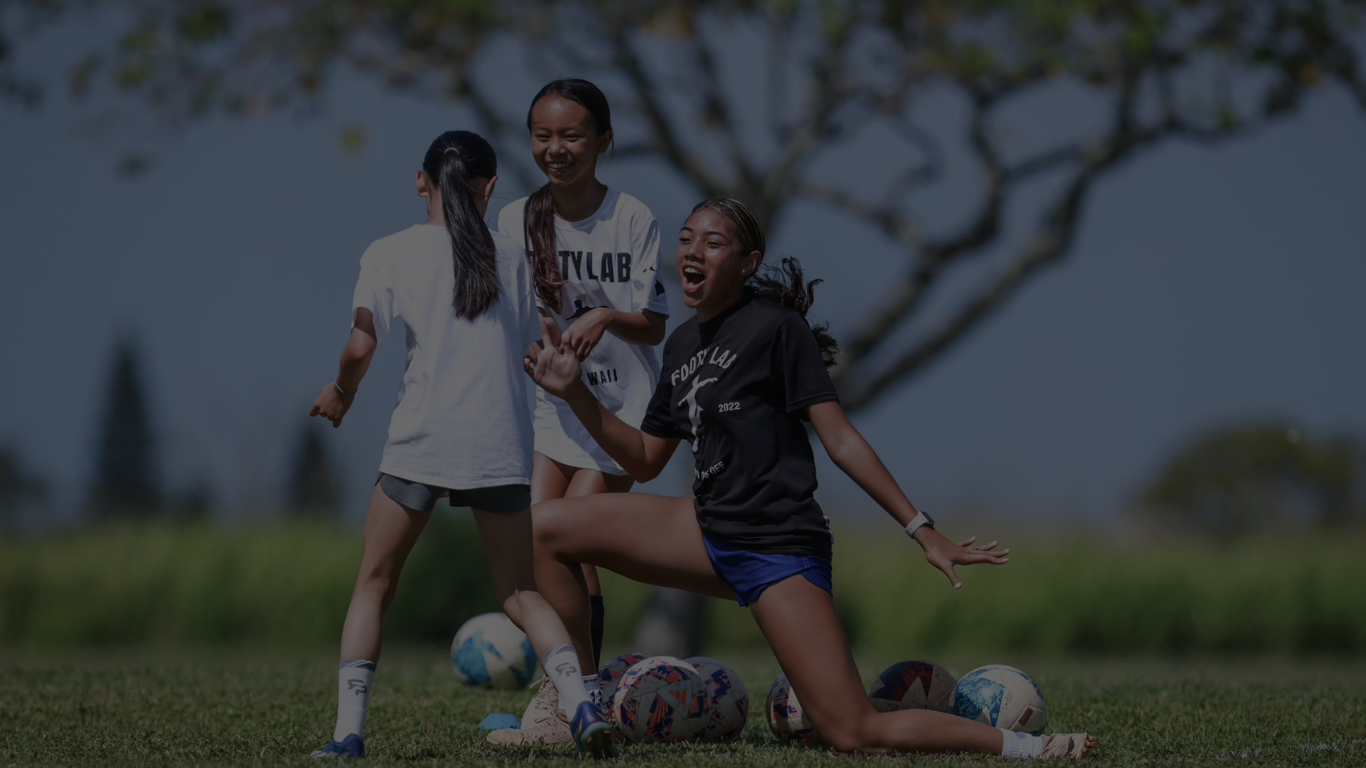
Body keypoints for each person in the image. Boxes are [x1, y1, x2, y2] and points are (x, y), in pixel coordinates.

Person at [523, 197, 1096, 760]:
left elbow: (841, 439)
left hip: (776, 544)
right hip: (703, 529)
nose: (693, 251)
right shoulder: (681, 345)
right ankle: (581, 698)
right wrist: (575, 391)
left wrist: (923, 529)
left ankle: (1028, 746)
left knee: (853, 731)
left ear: (749, 262)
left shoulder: (777, 327)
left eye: (714, 242)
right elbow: (646, 458)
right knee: (548, 526)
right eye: (687, 238)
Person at [306, 130, 615, 759]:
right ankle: (583, 705)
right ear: (490, 188)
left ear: (421, 182)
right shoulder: (515, 257)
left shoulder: (388, 253)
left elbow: (361, 346)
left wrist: (342, 390)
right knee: (520, 593)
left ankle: (347, 737)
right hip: (499, 441)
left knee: (374, 586)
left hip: (421, 439)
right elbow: (540, 343)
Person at [489, 78, 668, 746]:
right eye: (543, 136)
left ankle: (575, 699)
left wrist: (603, 315)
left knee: (570, 537)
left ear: (603, 142)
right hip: (552, 404)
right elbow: (513, 312)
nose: (555, 149)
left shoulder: (633, 218)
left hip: (617, 411)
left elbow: (654, 324)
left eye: (571, 136)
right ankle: (573, 692)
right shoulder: (517, 219)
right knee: (541, 544)